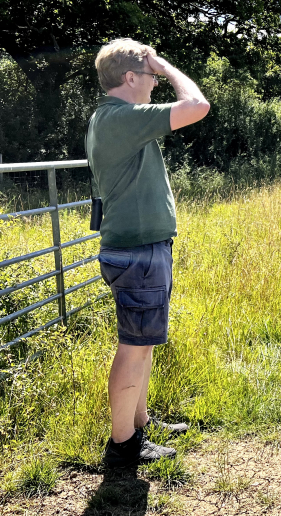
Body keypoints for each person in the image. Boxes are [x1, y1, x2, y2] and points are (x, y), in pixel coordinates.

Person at [87, 38, 210, 466]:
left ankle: (138, 424)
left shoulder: (114, 118)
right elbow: (197, 105)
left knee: (143, 344)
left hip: (140, 248)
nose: (156, 82)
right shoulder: (120, 118)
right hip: (137, 251)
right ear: (130, 77)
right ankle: (122, 446)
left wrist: (153, 66)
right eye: (150, 75)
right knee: (133, 347)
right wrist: (169, 66)